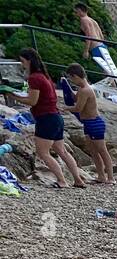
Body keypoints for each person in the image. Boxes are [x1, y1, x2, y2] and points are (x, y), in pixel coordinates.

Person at [14, 49, 85, 188]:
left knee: (43, 152)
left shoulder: (34, 78)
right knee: (62, 151)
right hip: (56, 116)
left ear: (29, 61)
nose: (22, 64)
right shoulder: (44, 76)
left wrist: (14, 96)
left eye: (22, 61)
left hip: (45, 118)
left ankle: (62, 180)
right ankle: (78, 179)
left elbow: (32, 101)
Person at [62, 63, 111, 184]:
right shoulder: (81, 89)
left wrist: (64, 108)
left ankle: (111, 178)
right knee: (93, 151)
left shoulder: (85, 90)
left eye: (71, 78)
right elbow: (75, 98)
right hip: (88, 123)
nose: (71, 81)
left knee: (102, 151)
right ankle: (101, 176)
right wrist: (66, 87)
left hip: (94, 123)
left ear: (76, 76)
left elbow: (78, 108)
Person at [75, 3, 117, 78]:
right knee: (109, 70)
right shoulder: (93, 20)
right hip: (102, 46)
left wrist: (86, 50)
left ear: (80, 11)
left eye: (76, 11)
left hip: (96, 48)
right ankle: (114, 85)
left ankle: (113, 87)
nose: (76, 13)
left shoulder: (84, 20)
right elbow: (101, 36)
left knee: (106, 71)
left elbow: (88, 36)